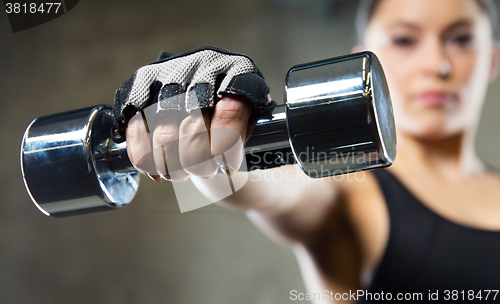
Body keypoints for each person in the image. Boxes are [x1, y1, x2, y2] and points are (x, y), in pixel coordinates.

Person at [116, 0, 500, 302]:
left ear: (493, 60)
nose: (438, 64)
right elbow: (266, 187)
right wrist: (205, 123)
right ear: (364, 55)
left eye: (462, 39)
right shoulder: (347, 188)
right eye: (404, 40)